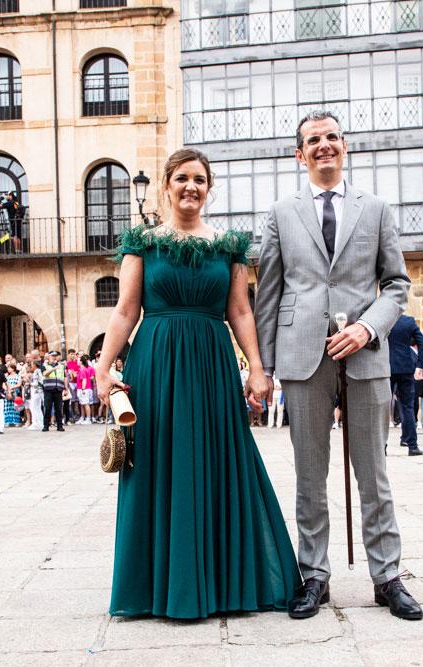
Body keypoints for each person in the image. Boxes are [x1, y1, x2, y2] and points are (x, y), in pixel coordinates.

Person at [96, 148, 299, 619]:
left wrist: (256, 367)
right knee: (155, 463)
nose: (191, 187)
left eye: (200, 180)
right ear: (166, 185)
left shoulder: (228, 247)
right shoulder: (142, 243)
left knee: (220, 458)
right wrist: (104, 368)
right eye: (183, 178)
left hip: (212, 364)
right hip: (155, 363)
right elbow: (126, 310)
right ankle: (155, 589)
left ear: (209, 189)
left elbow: (241, 311)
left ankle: (222, 584)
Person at [254, 111, 420, 621]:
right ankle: (314, 576)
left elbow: (396, 284)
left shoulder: (377, 209)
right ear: (299, 154)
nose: (323, 145)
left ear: (344, 146)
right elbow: (269, 292)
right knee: (309, 474)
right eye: (313, 140)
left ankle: (387, 577)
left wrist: (368, 327)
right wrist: (263, 366)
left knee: (374, 473)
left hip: (364, 354)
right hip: (301, 356)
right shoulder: (281, 213)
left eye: (331, 137)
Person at [387, 314, 423, 455]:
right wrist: (420, 365)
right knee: (407, 407)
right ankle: (412, 445)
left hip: (386, 367)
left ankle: (382, 446)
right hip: (406, 367)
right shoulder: (408, 321)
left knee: (383, 407)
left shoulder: (384, 319)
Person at [41, 351, 66, 432]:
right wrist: (53, 369)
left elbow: (64, 377)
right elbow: (45, 374)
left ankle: (60, 426)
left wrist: (66, 388)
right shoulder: (44, 365)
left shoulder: (61, 366)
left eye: (55, 356)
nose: (54, 357)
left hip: (58, 389)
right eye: (52, 356)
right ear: (48, 357)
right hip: (48, 389)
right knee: (47, 408)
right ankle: (46, 426)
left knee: (59, 408)